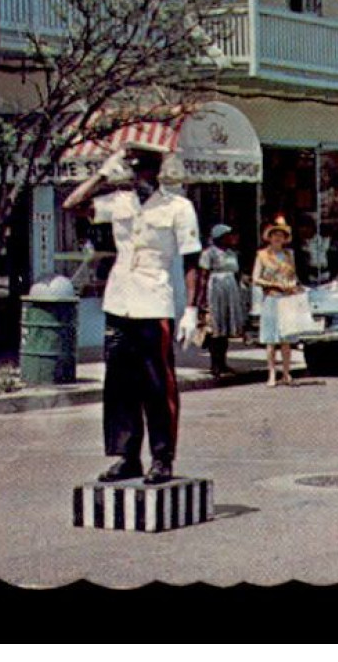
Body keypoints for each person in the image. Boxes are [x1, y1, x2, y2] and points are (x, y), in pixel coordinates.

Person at [64, 143, 200, 486]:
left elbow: (191, 261)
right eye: (132, 170)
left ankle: (162, 457)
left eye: (144, 171)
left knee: (158, 385)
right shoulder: (119, 202)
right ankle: (127, 456)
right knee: (120, 383)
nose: (138, 178)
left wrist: (193, 310)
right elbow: (72, 205)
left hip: (154, 302)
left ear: (157, 173)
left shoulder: (178, 207)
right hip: (120, 300)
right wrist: (100, 175)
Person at [254, 216, 311, 387]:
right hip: (271, 297)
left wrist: (293, 285)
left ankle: (286, 373)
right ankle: (271, 374)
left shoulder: (288, 255)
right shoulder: (262, 255)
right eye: (274, 235)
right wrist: (273, 284)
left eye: (281, 235)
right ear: (269, 237)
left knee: (286, 339)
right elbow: (256, 278)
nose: (278, 238)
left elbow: (293, 275)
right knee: (271, 340)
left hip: (286, 299)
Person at [194, 225, 244, 379]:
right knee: (215, 328)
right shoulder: (208, 253)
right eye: (228, 235)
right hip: (215, 290)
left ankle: (223, 362)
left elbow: (237, 273)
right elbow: (203, 276)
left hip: (230, 290)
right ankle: (215, 364)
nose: (232, 238)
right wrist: (201, 299)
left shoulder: (232, 253)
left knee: (226, 329)